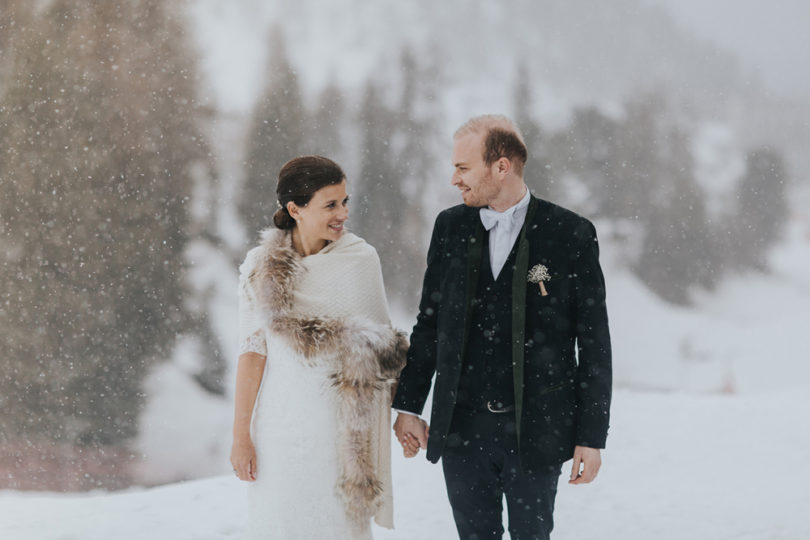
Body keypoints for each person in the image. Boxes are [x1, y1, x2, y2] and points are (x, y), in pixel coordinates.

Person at [392, 115, 612, 539]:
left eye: (462, 167)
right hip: (461, 429)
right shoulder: (450, 227)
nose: (454, 179)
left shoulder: (570, 233)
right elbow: (429, 324)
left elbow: (595, 344)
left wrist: (591, 436)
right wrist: (409, 405)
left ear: (501, 166)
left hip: (537, 430)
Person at [231, 155, 407, 540]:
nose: (342, 213)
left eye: (345, 202)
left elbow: (385, 351)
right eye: (330, 205)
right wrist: (241, 435)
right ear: (295, 209)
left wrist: (405, 415)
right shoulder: (261, 267)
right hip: (280, 429)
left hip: (342, 434)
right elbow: (252, 353)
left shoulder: (361, 260)